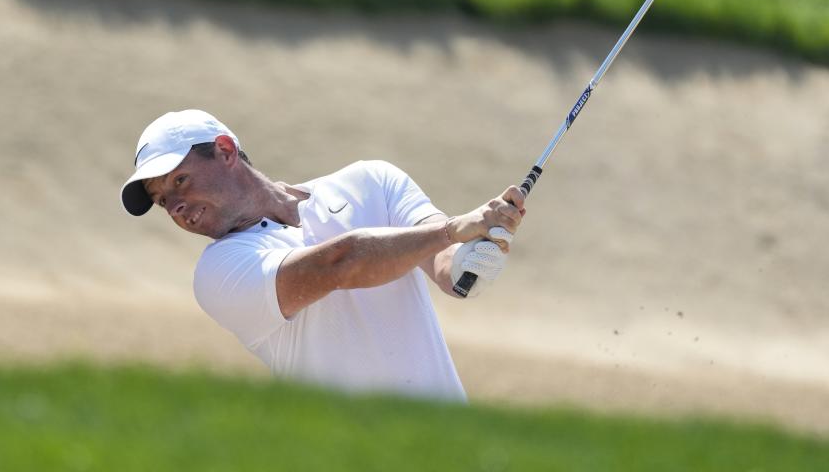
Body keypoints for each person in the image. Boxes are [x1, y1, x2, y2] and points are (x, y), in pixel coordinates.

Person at [120, 109, 525, 401]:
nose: (175, 206)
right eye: (161, 200)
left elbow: (447, 267)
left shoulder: (372, 182)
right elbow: (341, 263)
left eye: (180, 180)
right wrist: (454, 230)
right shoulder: (219, 272)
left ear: (225, 150)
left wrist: (476, 255)